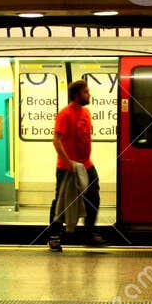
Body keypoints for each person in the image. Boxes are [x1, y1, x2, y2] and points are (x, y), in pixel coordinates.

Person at [49, 78, 103, 251]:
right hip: (67, 168)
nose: (89, 94)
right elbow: (56, 141)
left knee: (93, 197)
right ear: (76, 95)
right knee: (61, 201)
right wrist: (68, 163)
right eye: (86, 92)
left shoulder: (86, 113)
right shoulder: (65, 114)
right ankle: (54, 236)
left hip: (86, 165)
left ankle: (89, 233)